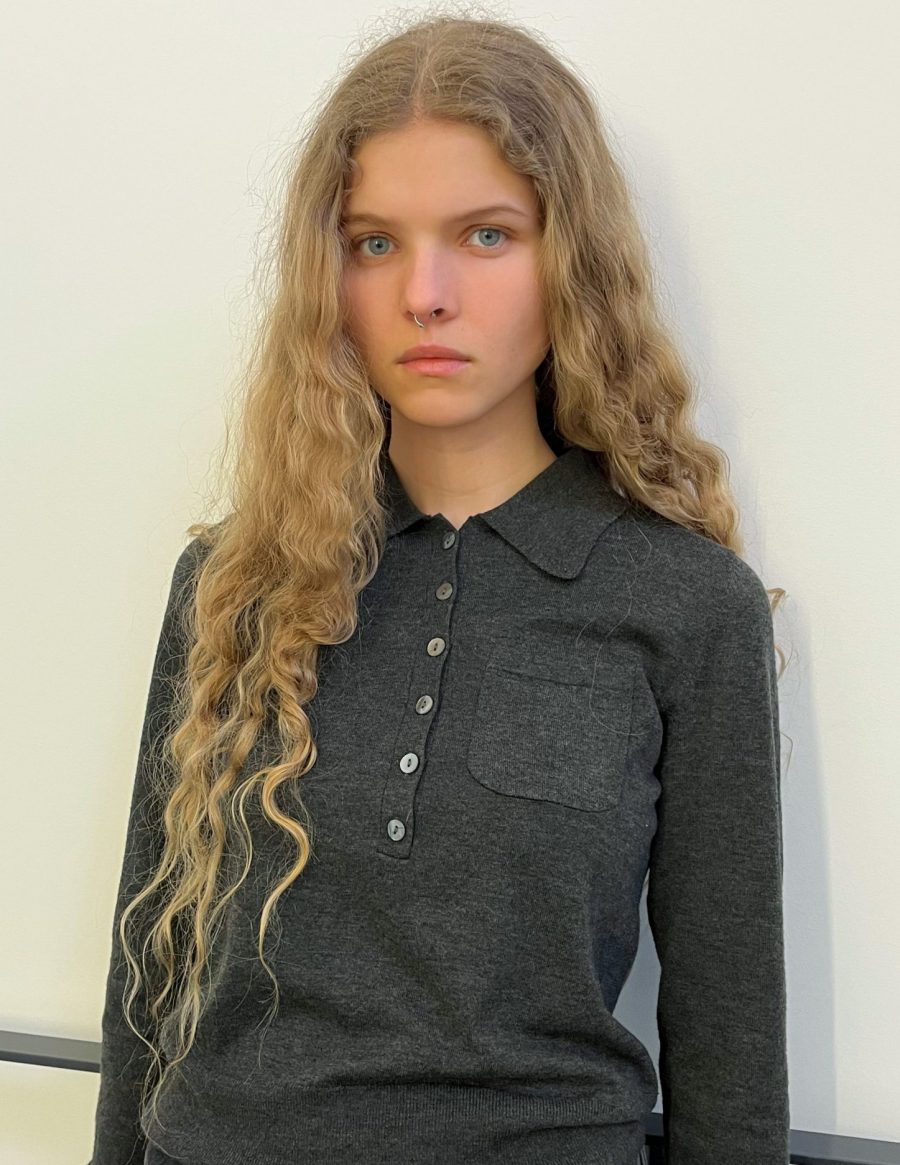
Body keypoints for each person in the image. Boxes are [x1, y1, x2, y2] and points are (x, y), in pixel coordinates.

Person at [88, 12, 790, 1165]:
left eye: (485, 235)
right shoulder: (236, 582)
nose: (425, 292)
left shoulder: (688, 605)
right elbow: (148, 973)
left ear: (571, 259)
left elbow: (731, 1048)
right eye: (374, 243)